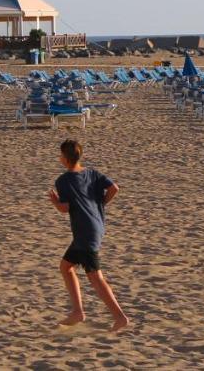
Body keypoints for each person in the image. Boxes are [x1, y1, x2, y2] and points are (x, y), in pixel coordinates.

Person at [48, 139, 128, 332]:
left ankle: (120, 317)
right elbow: (114, 188)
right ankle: (77, 312)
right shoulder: (92, 173)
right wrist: (99, 205)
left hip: (85, 233)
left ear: (65, 159)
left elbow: (65, 209)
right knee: (66, 267)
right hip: (96, 227)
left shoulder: (64, 180)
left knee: (95, 277)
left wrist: (54, 201)